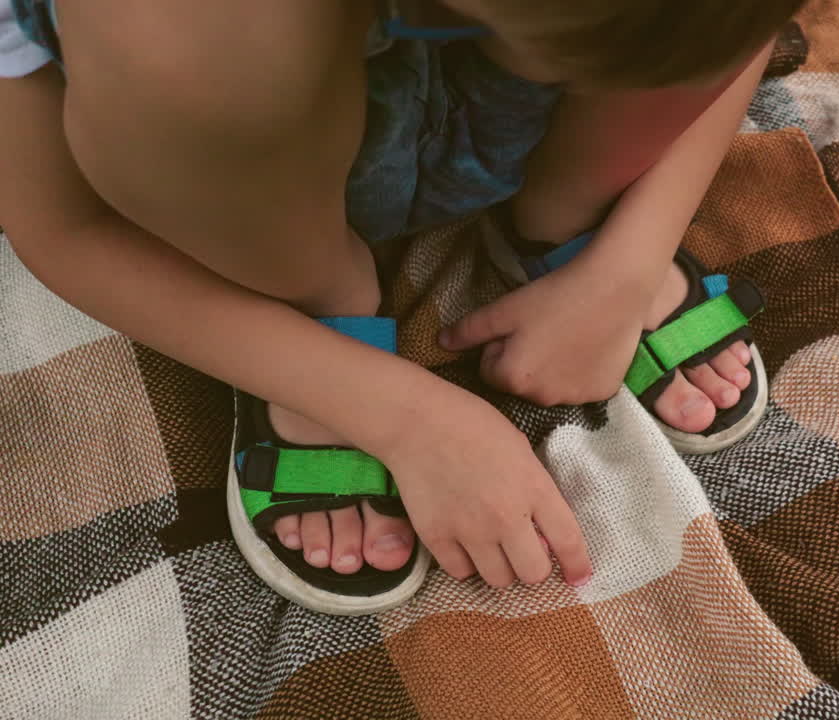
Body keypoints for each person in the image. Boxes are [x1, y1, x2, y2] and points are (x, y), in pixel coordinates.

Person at [0, 0, 798, 613]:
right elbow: (63, 225)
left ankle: (575, 218)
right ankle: (318, 303)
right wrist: (395, 412)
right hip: (243, 142)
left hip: (512, 116)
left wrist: (629, 258)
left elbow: (735, 29)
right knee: (191, 42)